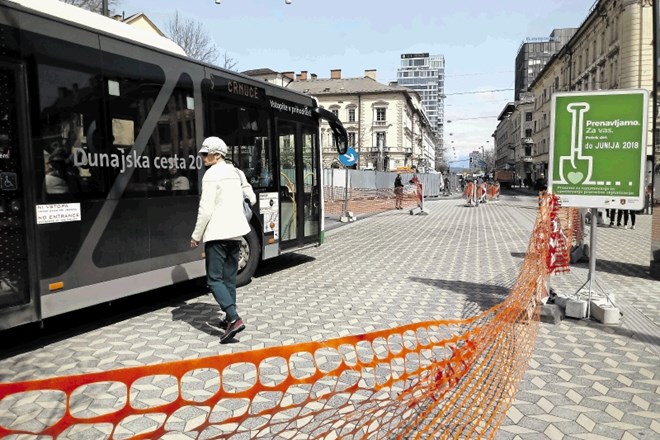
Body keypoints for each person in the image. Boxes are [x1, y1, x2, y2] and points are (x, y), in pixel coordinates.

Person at [190, 136, 249, 344]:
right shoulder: (235, 172)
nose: (203, 156)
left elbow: (205, 210)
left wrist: (196, 235)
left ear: (217, 154)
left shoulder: (211, 175)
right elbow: (249, 194)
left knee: (214, 279)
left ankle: (233, 318)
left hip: (217, 234)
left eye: (206, 153)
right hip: (236, 234)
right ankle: (227, 319)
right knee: (229, 278)